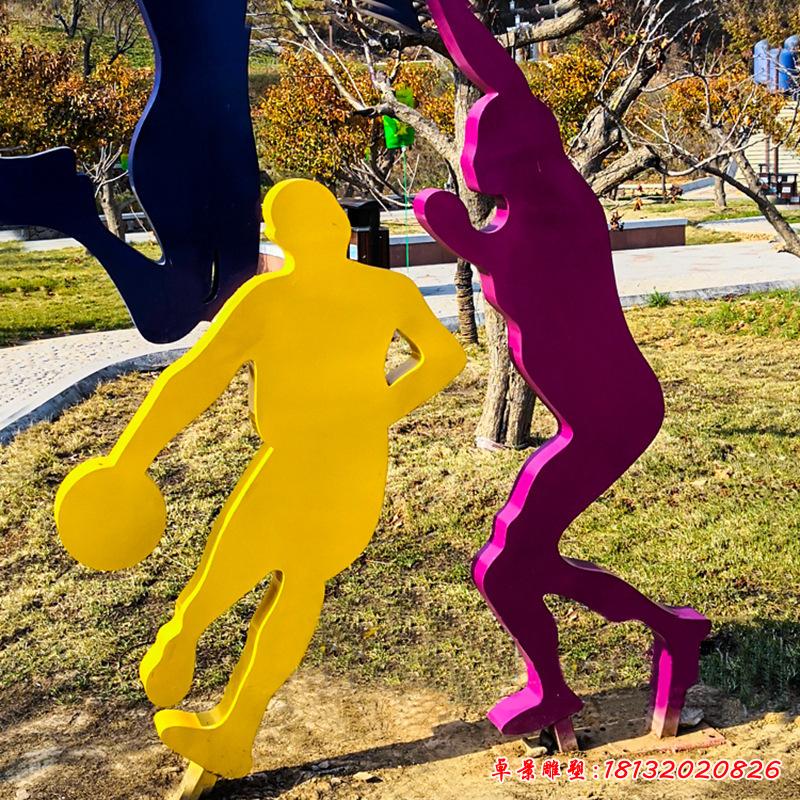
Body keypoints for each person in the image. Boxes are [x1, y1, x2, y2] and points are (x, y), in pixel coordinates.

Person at [55, 178, 466, 778]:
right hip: (344, 459)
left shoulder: (273, 298)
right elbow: (445, 358)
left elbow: (197, 377)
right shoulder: (380, 291)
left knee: (261, 565)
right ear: (338, 230)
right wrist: (379, 408)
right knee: (288, 577)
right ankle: (207, 675)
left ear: (277, 238)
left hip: (319, 458)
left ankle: (210, 682)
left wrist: (130, 457)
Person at [414, 0, 710, 746]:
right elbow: (497, 80)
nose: (474, 162)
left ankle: (565, 683)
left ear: (526, 149)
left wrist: (452, 231)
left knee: (506, 565)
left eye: (487, 146)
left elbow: (509, 97)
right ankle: (667, 634)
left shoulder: (564, 211)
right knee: (515, 562)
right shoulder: (521, 213)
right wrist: (445, 11)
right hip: (589, 417)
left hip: (612, 415)